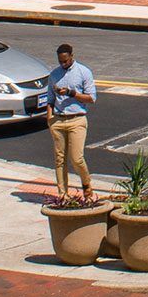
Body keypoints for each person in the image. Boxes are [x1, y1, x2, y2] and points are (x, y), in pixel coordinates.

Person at [43, 40, 98, 197]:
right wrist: (49, 117)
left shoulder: (84, 72)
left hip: (77, 119)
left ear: (72, 56)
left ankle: (86, 183)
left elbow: (91, 98)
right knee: (60, 159)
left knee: (76, 158)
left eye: (66, 61)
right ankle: (62, 194)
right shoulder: (54, 75)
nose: (63, 64)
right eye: (60, 61)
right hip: (58, 119)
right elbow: (50, 98)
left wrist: (71, 93)